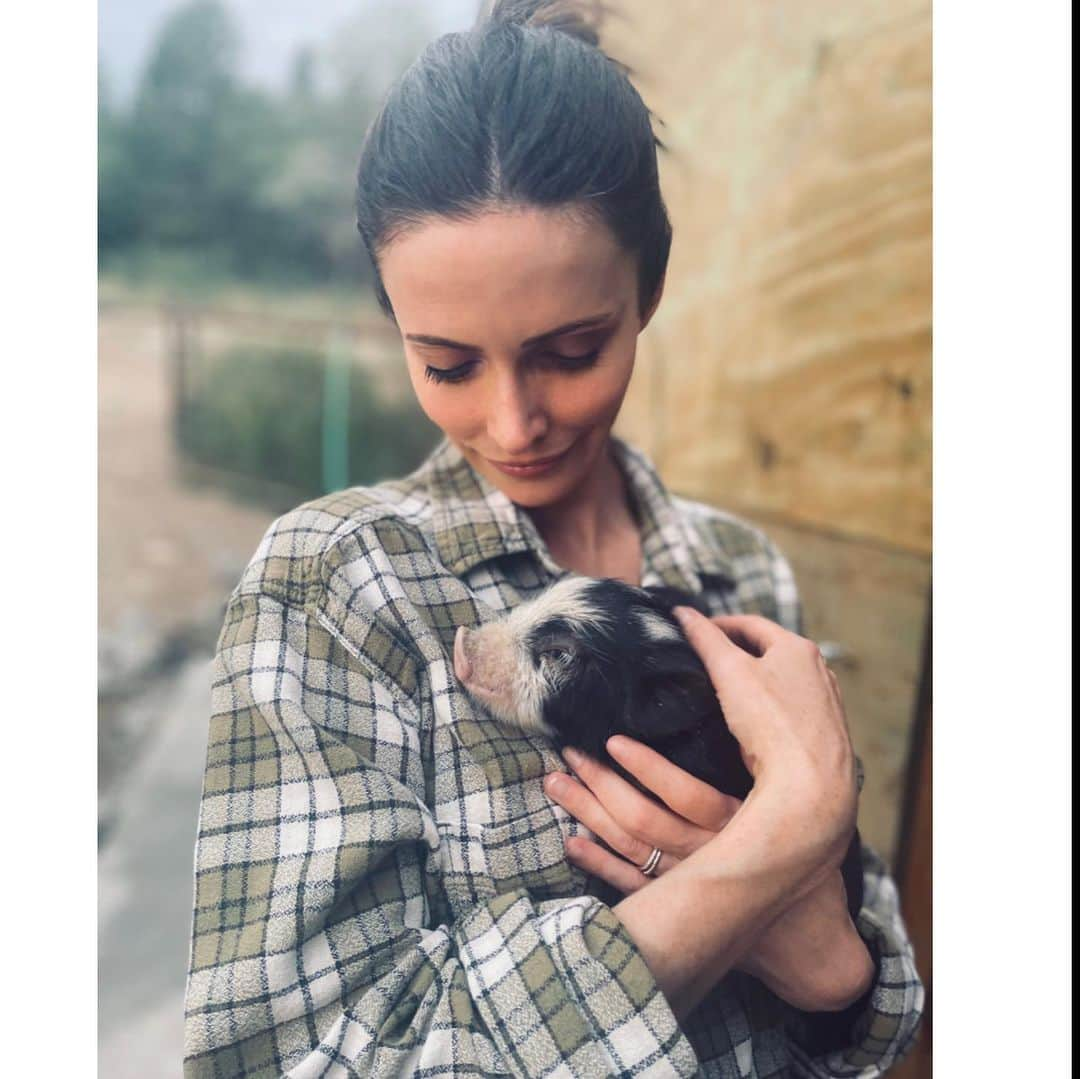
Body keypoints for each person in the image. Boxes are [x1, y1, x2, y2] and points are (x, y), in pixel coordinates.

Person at [182, 2, 923, 1075]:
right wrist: (773, 854)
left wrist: (834, 977)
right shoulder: (336, 583)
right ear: (394, 323)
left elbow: (876, 1007)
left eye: (573, 349)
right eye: (446, 364)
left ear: (649, 291)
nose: (514, 423)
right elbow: (281, 1056)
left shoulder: (743, 574)